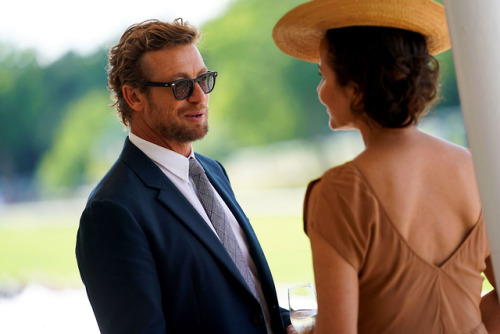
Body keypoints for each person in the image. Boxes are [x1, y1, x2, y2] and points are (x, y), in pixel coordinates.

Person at [272, 0, 499, 333]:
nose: (320, 91)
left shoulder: (338, 192)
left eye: (324, 75)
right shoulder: (474, 168)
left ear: (357, 84)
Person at [76, 18, 293, 334]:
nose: (199, 96)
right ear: (134, 96)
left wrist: (289, 324)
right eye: (180, 85)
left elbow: (243, 302)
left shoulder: (213, 171)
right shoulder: (111, 211)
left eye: (203, 79)